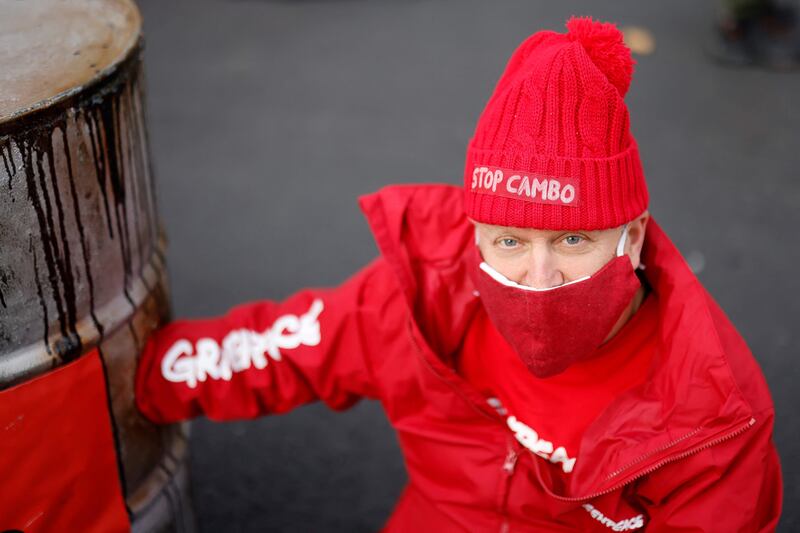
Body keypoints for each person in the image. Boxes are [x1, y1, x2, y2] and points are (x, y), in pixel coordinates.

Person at [135, 16, 783, 531]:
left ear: (633, 234)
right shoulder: (423, 294)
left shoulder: (711, 408)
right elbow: (278, 350)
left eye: (574, 237)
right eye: (508, 238)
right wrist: (129, 378)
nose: (539, 273)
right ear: (472, 233)